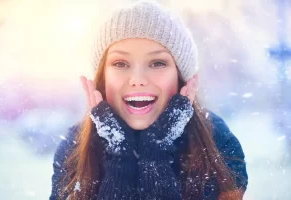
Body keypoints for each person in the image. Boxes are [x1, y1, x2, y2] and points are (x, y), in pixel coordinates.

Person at [49, 1, 248, 199]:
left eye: (157, 63)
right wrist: (120, 159)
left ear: (180, 78)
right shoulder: (74, 148)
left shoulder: (216, 140)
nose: (138, 80)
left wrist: (156, 156)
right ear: (103, 77)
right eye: (120, 63)